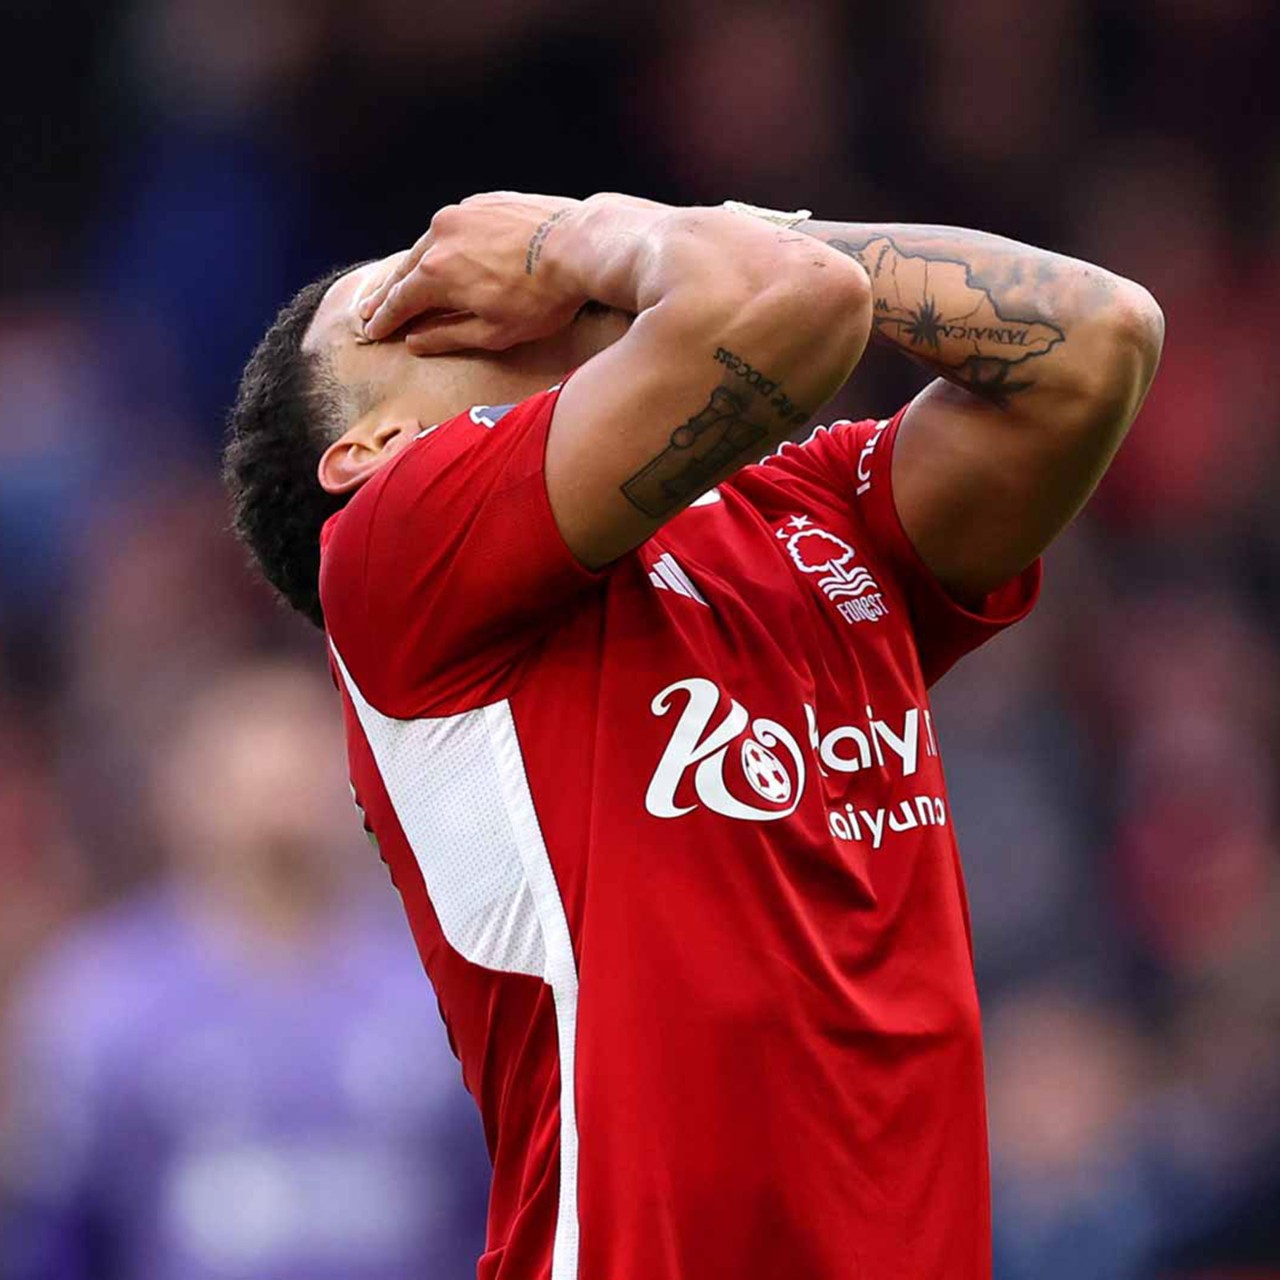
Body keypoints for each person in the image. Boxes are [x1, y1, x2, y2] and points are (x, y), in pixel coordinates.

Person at [223, 192, 1163, 1280]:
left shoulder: (802, 510)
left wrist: (609, 247)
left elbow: (1098, 337)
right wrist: (570, 241)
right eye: (403, 305)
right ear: (372, 447)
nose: (465, 275)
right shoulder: (392, 553)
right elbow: (790, 298)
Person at [0, 662, 491, 1280]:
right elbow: (58, 1226)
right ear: (181, 795)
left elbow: (499, 1203)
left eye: (301, 774)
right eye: (249, 779)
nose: (277, 807)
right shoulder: (101, 997)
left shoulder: (442, 983)